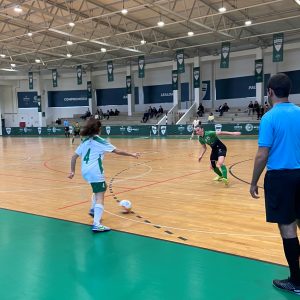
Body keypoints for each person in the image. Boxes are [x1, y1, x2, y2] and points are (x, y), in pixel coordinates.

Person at [250, 73, 300, 296]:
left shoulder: (269, 118)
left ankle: (296, 281)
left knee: (288, 228)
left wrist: (253, 182)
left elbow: (262, 154)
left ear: (269, 92)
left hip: (281, 178)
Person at [68, 118, 140, 232]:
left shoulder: (85, 141)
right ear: (99, 129)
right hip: (95, 171)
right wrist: (132, 154)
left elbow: (73, 157)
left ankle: (93, 209)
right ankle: (97, 224)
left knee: (101, 188)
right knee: (100, 196)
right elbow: (117, 151)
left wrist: (72, 171)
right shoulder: (100, 141)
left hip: (85, 172)